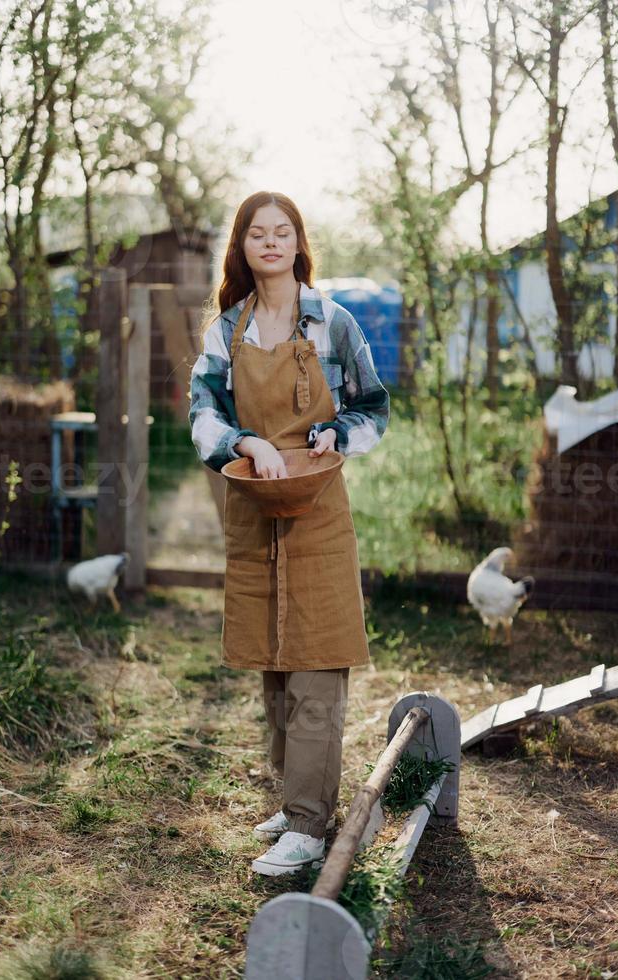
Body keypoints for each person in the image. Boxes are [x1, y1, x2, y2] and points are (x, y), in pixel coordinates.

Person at [188, 190, 390, 876]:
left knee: (316, 658)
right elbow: (201, 414)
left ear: (298, 242)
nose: (270, 243)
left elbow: (374, 406)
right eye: (257, 233)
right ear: (242, 247)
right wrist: (244, 444)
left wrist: (338, 433)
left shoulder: (332, 323)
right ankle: (294, 797)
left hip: (317, 508)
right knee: (273, 657)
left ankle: (309, 823)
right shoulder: (227, 330)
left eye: (282, 232)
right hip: (250, 502)